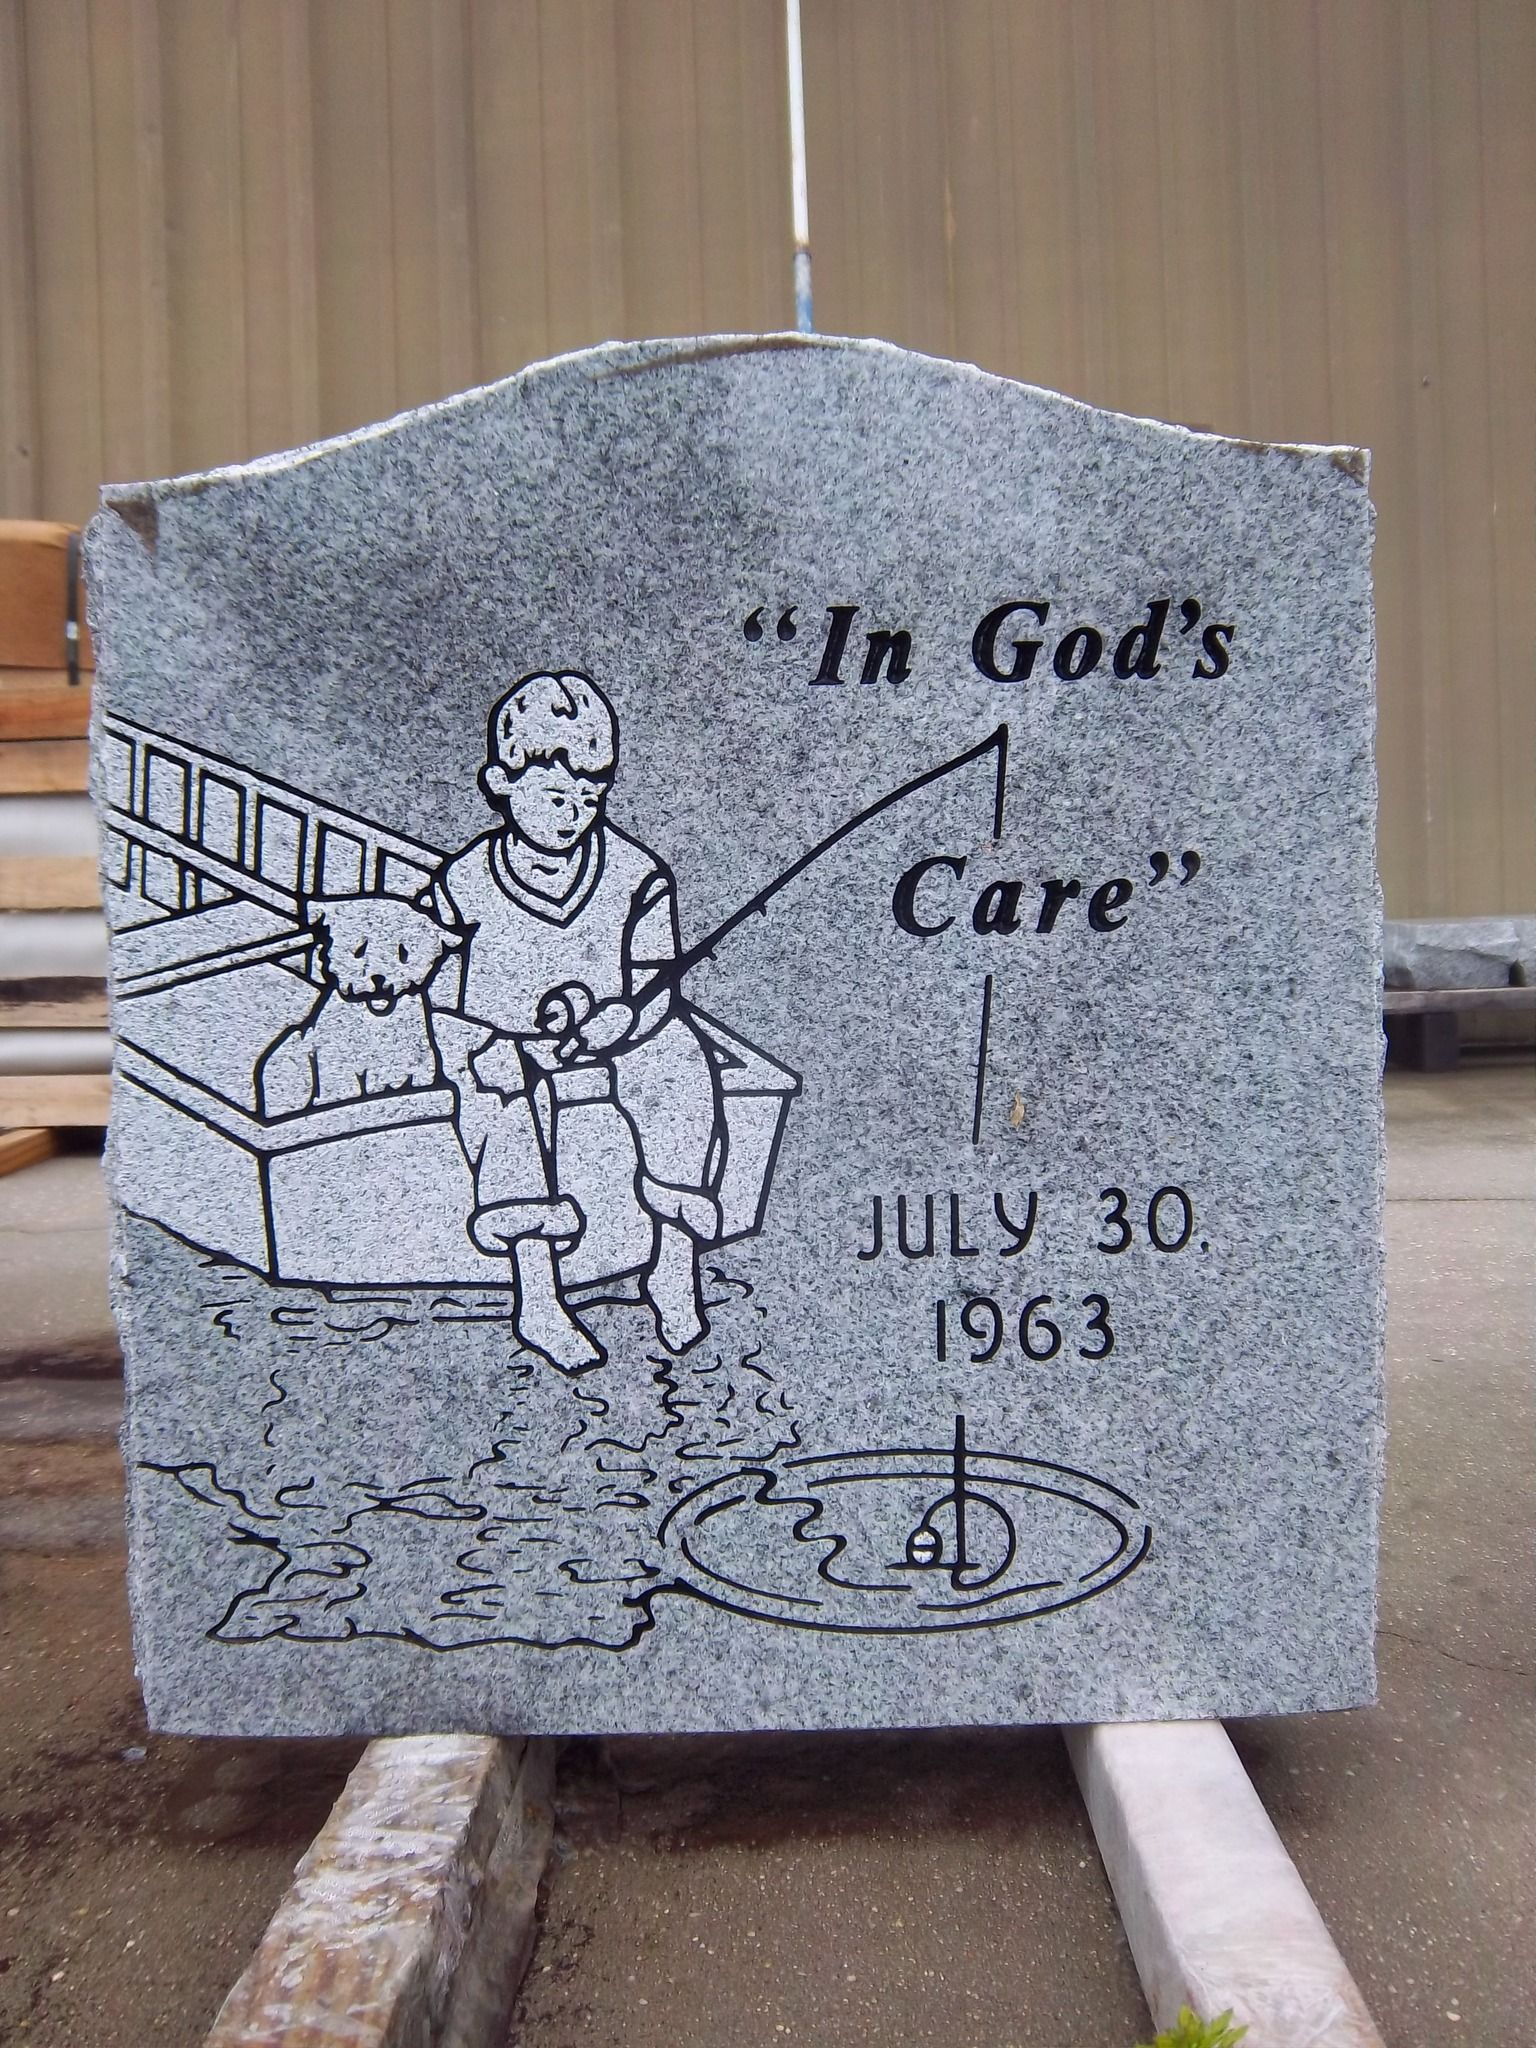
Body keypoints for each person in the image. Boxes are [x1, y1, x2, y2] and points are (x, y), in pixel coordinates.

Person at [425, 671, 720, 1374]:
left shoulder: (638, 873)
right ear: (502, 782)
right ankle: (538, 1295)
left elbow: (656, 985)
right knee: (503, 1104)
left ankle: (673, 1264)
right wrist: (479, 1047)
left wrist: (627, 1017)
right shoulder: (462, 884)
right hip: (505, 1049)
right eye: (556, 796)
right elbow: (437, 998)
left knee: (682, 1062)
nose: (575, 812)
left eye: (591, 796)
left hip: (612, 1037)